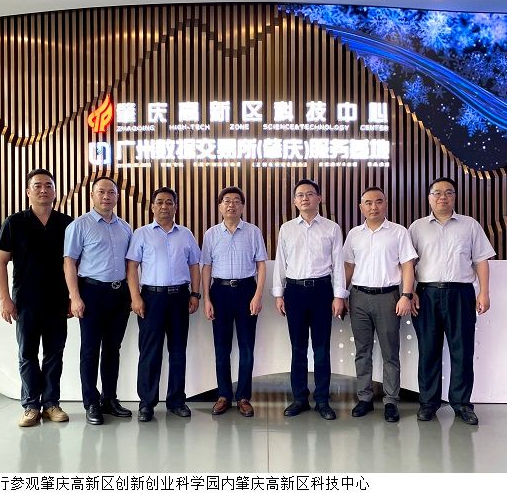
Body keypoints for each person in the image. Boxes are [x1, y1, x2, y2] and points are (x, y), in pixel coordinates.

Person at [409, 176, 495, 425]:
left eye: (448, 192)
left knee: (462, 351)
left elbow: (481, 260)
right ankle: (428, 403)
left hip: (461, 294)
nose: (442, 197)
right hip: (426, 295)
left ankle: (462, 404)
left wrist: (484, 292)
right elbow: (407, 263)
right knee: (428, 351)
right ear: (429, 198)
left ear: (455, 197)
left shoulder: (470, 225)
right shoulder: (417, 227)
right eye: (437, 193)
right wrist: (410, 291)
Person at [0, 168, 73, 427]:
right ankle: (30, 406)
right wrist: (5, 299)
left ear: (55, 192)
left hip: (58, 301)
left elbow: (74, 264)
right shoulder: (14, 223)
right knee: (27, 353)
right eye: (37, 185)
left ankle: (51, 404)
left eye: (48, 185)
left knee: (54, 354)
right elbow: (0, 262)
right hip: (25, 301)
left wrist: (73, 297)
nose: (43, 190)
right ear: (28, 191)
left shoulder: (67, 224)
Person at [272, 179, 347, 420]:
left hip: (322, 291)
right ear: (295, 201)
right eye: (300, 195)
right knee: (298, 348)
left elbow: (338, 264)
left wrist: (339, 296)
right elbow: (281, 262)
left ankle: (322, 400)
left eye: (310, 194)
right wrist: (278, 294)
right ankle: (299, 398)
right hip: (294, 292)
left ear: (319, 198)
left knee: (322, 349)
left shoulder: (331, 228)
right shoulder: (286, 229)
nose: (305, 198)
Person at [127, 187, 201, 422]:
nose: (164, 206)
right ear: (152, 206)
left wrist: (195, 294)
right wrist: (135, 297)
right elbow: (132, 267)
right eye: (159, 202)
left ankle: (176, 401)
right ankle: (146, 404)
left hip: (180, 297)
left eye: (169, 202)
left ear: (175, 207)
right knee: (150, 351)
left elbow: (194, 265)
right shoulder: (141, 234)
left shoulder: (186, 234)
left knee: (178, 350)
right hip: (151, 298)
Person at [343, 187, 417, 423]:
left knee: (390, 352)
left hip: (388, 297)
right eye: (368, 202)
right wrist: (341, 295)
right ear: (361, 207)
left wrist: (406, 295)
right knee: (362, 351)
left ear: (385, 204)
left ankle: (391, 401)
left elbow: (407, 265)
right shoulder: (354, 234)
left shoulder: (398, 232)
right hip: (358, 297)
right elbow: (348, 266)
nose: (373, 207)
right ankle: (364, 398)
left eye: (378, 202)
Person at [64, 176, 133, 426]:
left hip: (119, 294)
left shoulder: (125, 227)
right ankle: (91, 402)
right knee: (90, 350)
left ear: (117, 197)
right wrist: (74, 297)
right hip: (91, 293)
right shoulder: (79, 225)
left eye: (111, 192)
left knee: (113, 349)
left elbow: (130, 264)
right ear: (92, 195)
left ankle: (109, 399)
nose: (106, 196)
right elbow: (69, 262)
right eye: (101, 192)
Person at [200, 187, 267, 418]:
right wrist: (207, 298)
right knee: (222, 347)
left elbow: (261, 265)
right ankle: (224, 395)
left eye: (236, 201)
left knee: (247, 347)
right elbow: (206, 267)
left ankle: (244, 397)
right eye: (226, 200)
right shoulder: (211, 234)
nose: (231, 204)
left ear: (242, 206)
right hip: (219, 292)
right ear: (220, 206)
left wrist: (258, 295)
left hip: (247, 290)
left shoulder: (253, 232)